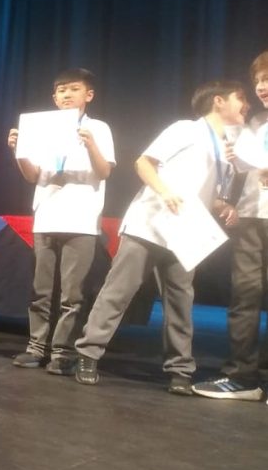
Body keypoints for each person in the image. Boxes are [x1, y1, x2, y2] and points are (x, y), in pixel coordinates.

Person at [73, 80, 245, 395]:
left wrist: (225, 206)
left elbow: (211, 193)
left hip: (186, 229)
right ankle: (88, 353)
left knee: (181, 299)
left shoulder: (229, 149)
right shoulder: (186, 129)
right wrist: (165, 192)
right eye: (239, 98)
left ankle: (180, 370)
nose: (245, 105)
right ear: (218, 101)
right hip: (150, 222)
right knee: (119, 291)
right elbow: (143, 163)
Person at [6, 69, 115, 375]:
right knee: (40, 290)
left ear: (88, 95)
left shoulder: (98, 128)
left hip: (81, 219)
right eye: (61, 90)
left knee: (73, 294)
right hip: (46, 216)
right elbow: (32, 175)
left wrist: (90, 144)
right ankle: (36, 347)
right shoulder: (44, 128)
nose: (67, 95)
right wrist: (19, 152)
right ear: (54, 98)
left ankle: (63, 352)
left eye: (73, 89)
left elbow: (104, 171)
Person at [193, 52, 268, 401]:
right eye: (258, 81)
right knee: (245, 296)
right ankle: (243, 376)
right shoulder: (253, 125)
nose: (262, 87)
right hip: (252, 218)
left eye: (267, 79)